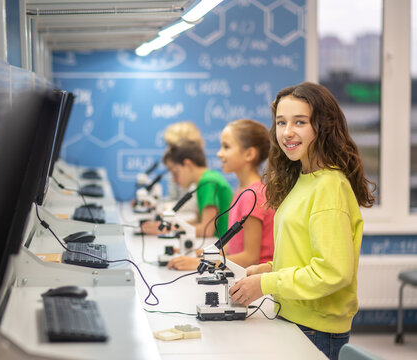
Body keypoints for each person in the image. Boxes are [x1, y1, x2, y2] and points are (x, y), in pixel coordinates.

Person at [229, 82, 376, 360]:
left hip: (317, 328)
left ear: (322, 126)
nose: (287, 132)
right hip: (297, 318)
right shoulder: (304, 179)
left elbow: (332, 272)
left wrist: (266, 284)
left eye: (300, 122)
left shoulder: (329, 185)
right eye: (281, 122)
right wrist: (269, 269)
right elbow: (308, 254)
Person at [167, 119, 275, 271]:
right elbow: (235, 246)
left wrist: (198, 263)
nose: (219, 153)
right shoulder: (241, 190)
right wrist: (203, 255)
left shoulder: (253, 195)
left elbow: (251, 258)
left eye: (226, 147)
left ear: (249, 154)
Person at [140, 139, 233, 240]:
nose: (174, 180)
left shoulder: (207, 182)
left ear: (188, 164)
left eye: (175, 173)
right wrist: (169, 226)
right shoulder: (207, 178)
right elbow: (198, 221)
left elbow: (206, 230)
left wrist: (167, 230)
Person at [163, 121, 205, 203]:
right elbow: (173, 198)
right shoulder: (176, 172)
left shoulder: (200, 178)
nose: (168, 150)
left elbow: (190, 206)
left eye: (171, 146)